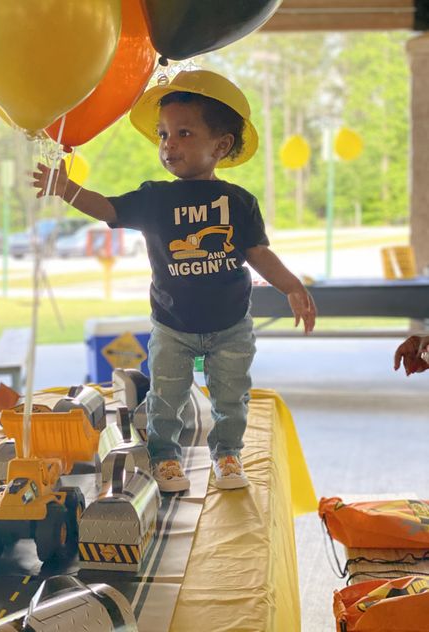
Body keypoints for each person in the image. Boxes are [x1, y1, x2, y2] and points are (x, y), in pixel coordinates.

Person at [33, 69, 317, 493]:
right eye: (164, 134)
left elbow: (258, 254)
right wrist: (68, 189)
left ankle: (227, 453)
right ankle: (165, 456)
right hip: (172, 325)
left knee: (232, 396)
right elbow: (109, 208)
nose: (169, 144)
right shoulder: (155, 198)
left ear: (220, 145)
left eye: (184, 133)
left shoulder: (238, 202)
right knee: (166, 397)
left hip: (231, 326)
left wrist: (292, 286)